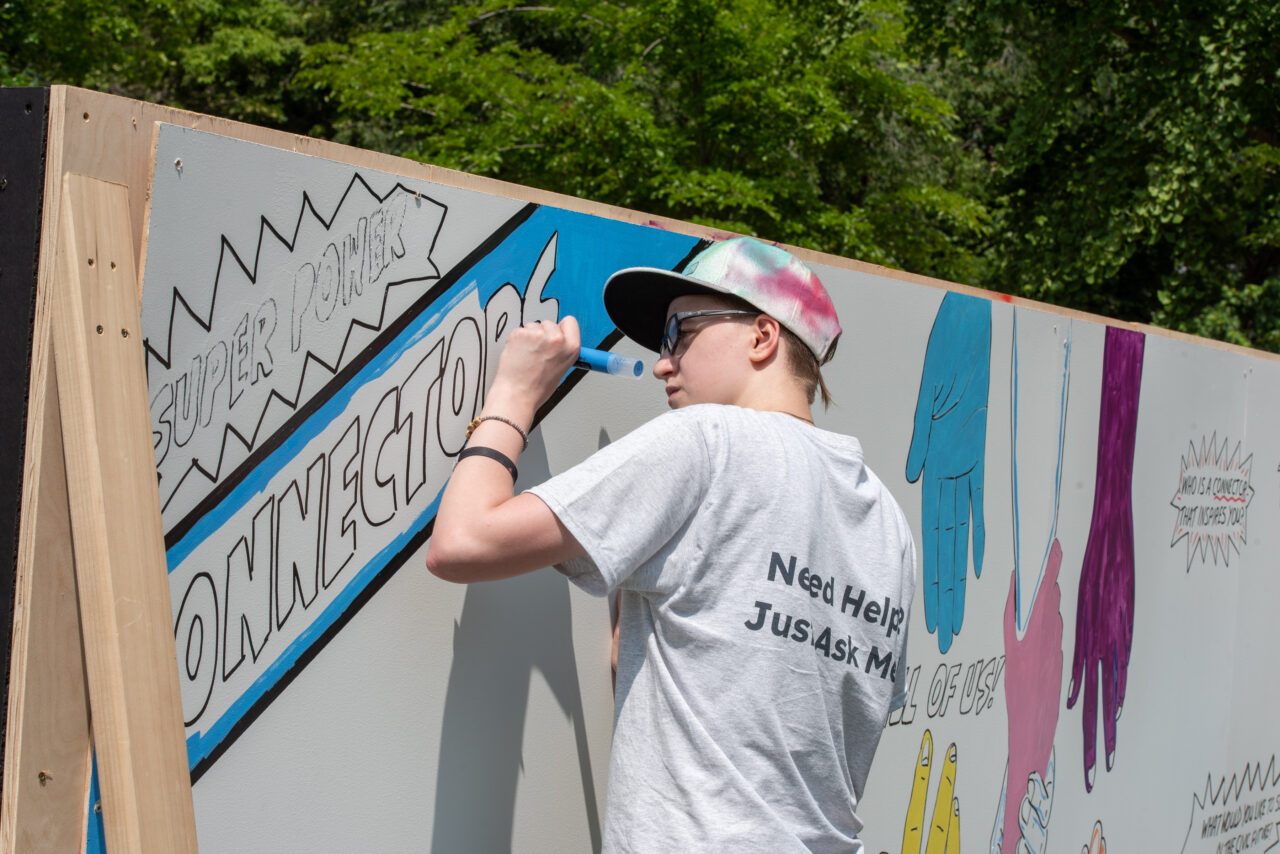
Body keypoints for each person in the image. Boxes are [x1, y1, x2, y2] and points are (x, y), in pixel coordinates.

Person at [427, 236, 916, 852]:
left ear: (762, 337)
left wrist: (513, 394)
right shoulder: (887, 521)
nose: (662, 362)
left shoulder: (708, 441)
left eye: (679, 334)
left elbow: (462, 542)